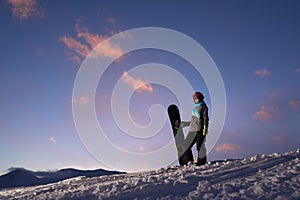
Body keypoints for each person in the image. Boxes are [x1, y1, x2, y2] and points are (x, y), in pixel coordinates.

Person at [181, 91, 209, 166]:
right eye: (194, 99)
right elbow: (194, 121)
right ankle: (189, 162)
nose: (195, 100)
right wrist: (185, 124)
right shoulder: (195, 108)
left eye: (196, 98)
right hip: (192, 130)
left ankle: (201, 163)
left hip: (199, 130)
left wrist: (205, 128)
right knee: (186, 146)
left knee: (200, 147)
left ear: (200, 98)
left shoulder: (203, 106)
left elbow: (205, 118)